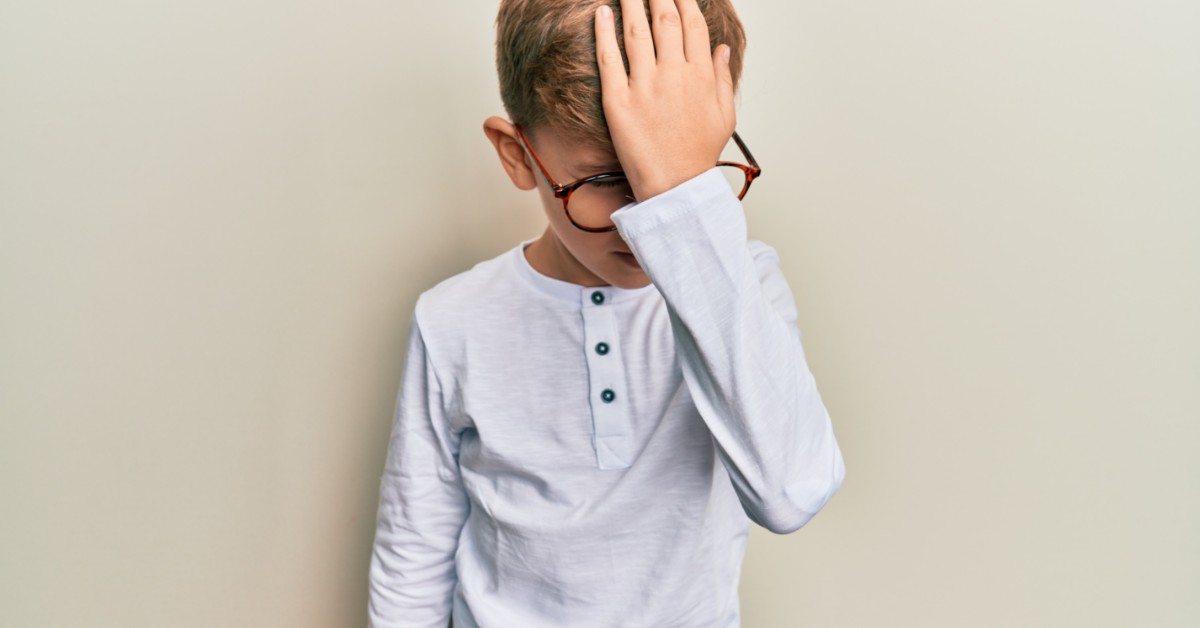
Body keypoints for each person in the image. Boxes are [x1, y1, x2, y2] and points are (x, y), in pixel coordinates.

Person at [367, 1, 846, 626]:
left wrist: (685, 203)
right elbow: (413, 553)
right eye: (605, 180)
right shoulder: (452, 318)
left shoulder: (741, 285)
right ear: (518, 156)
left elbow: (791, 491)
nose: (640, 219)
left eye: (676, 179)